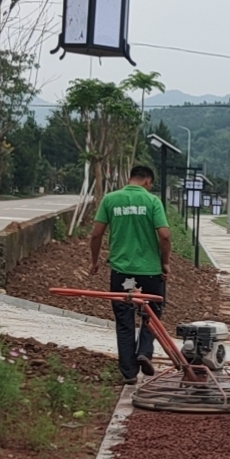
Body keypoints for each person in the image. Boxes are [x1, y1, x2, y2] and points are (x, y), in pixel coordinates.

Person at [88, 165, 173, 385]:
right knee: (151, 315)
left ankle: (128, 372)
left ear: (130, 178)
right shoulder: (152, 201)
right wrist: (165, 264)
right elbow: (164, 236)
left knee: (124, 321)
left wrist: (95, 261)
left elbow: (96, 233)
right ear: (148, 182)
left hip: (122, 274)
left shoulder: (110, 199)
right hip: (151, 274)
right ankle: (144, 351)